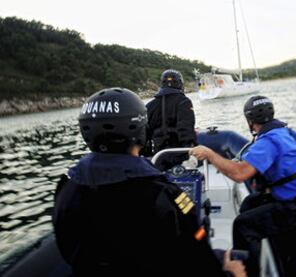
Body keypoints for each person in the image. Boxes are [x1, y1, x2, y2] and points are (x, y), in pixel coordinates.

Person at [52, 87, 246, 277]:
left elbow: (66, 249)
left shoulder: (66, 187)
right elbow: (198, 257)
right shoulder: (164, 195)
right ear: (140, 131)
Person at [190, 95, 296, 276]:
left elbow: (239, 174)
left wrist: (210, 154)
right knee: (249, 204)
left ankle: (247, 273)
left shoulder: (267, 142)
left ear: (250, 121)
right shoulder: (288, 133)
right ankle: (256, 252)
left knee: (242, 225)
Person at [145, 69, 197, 170]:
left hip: (158, 156)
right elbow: (186, 128)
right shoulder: (184, 102)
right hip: (180, 155)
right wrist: (191, 150)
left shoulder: (149, 106)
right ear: (180, 84)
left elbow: (145, 133)